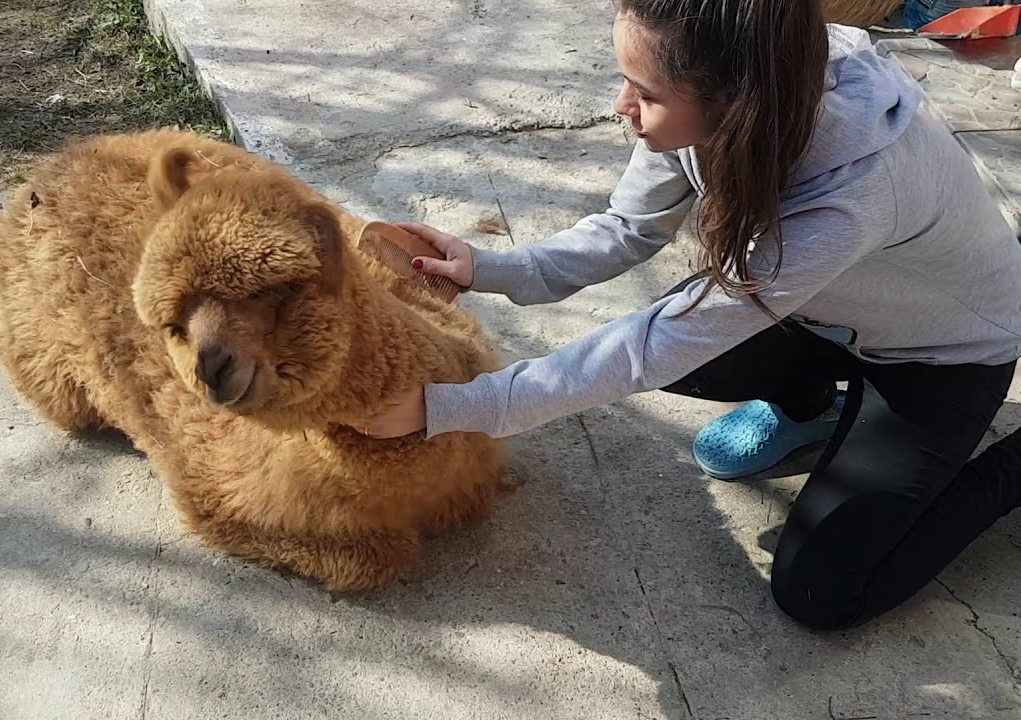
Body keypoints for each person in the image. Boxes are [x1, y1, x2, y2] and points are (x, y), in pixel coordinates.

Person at [354, 0, 1021, 630]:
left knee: (823, 593)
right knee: (684, 348)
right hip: (830, 314)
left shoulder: (849, 199)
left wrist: (452, 407)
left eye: (645, 94)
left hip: (941, 358)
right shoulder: (732, 89)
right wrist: (490, 267)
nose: (622, 107)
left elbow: (650, 347)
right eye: (626, 79)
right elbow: (626, 227)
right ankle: (812, 403)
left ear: (738, 101)